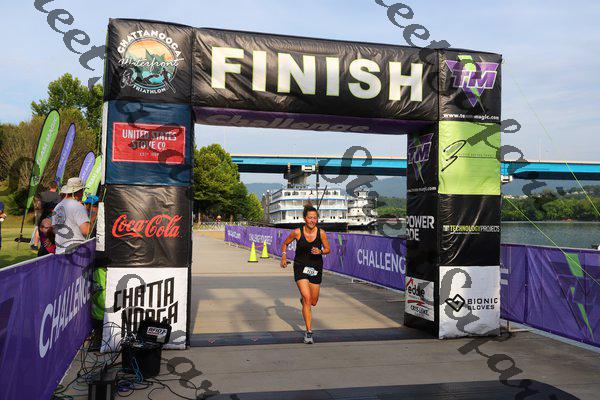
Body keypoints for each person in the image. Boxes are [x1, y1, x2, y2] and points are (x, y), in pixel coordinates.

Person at [280, 205, 330, 344]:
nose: (312, 220)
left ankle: (304, 301)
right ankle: (308, 332)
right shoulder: (297, 232)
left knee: (313, 301)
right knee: (308, 298)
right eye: (310, 218)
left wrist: (321, 251)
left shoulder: (321, 233)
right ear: (304, 218)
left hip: (316, 268)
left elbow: (328, 249)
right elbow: (285, 243)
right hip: (300, 267)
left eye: (315, 218)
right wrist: (283, 256)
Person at [52, 177, 90, 254]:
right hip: (75, 250)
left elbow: (54, 229)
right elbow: (86, 231)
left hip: (60, 251)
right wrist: (94, 215)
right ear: (79, 191)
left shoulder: (57, 207)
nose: (82, 193)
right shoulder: (78, 206)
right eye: (82, 190)